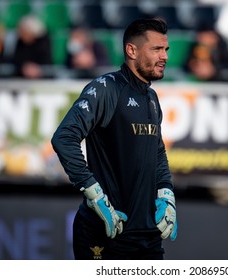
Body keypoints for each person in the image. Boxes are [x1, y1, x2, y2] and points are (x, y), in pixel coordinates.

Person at [51, 18, 177, 260]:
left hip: (148, 238)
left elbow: (157, 152)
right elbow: (64, 138)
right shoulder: (105, 88)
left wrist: (166, 192)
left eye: (166, 50)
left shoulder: (152, 97)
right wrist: (94, 193)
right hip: (106, 234)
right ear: (131, 50)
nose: (165, 57)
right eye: (156, 49)